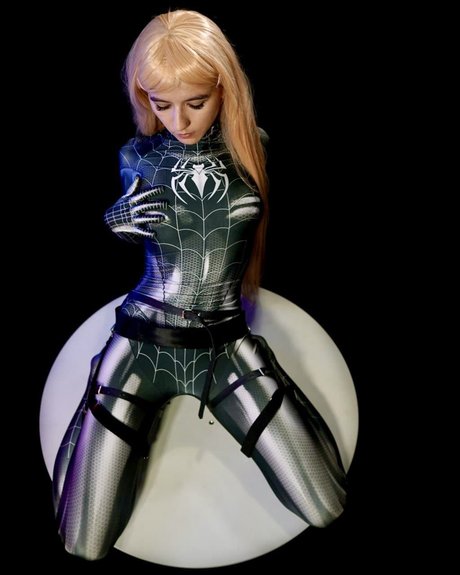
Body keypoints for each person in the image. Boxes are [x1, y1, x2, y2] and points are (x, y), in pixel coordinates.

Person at [52, 9, 347, 561]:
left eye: (195, 101)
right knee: (83, 543)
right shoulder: (136, 157)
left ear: (223, 87)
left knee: (325, 505)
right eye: (160, 104)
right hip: (141, 345)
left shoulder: (253, 147)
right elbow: (133, 213)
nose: (178, 121)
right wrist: (113, 219)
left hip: (225, 347)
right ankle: (100, 395)